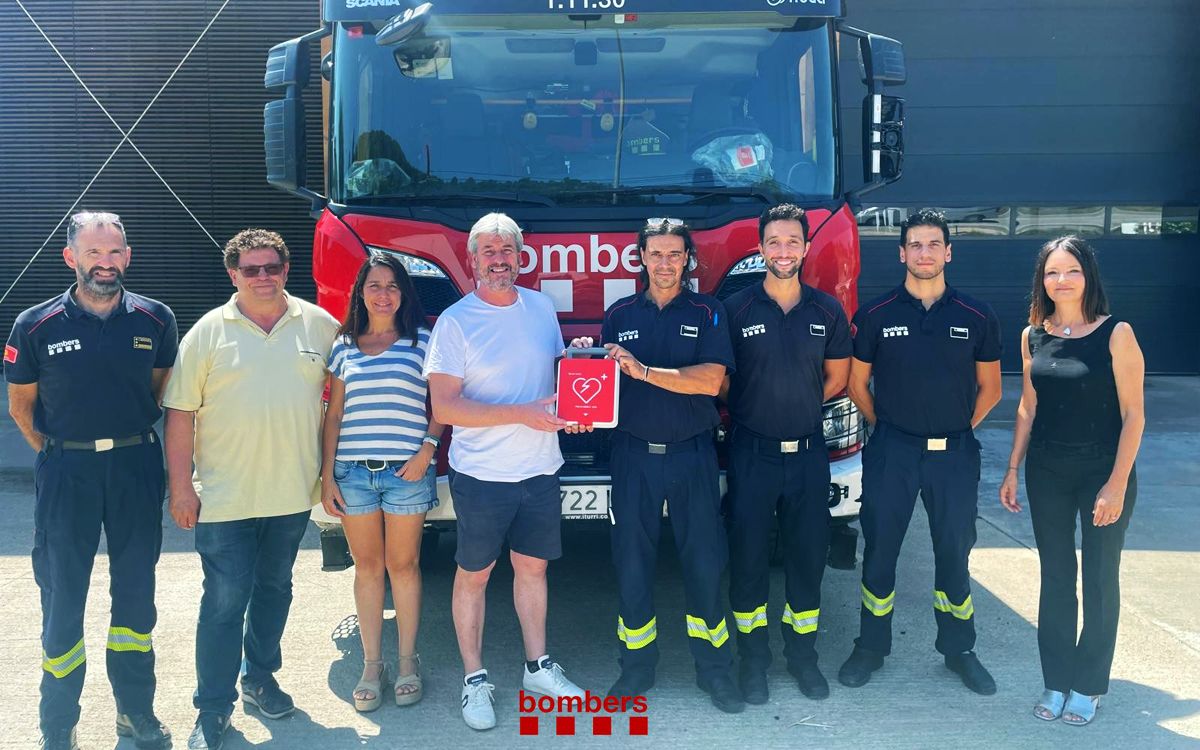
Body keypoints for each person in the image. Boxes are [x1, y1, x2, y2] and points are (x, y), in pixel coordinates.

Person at [4, 211, 176, 750]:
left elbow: (158, 393)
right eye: (94, 253)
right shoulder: (34, 324)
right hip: (67, 474)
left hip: (133, 469)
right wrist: (60, 453)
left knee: (135, 597)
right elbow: (21, 407)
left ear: (128, 257)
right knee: (61, 597)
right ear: (71, 257)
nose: (105, 264)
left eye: (115, 253)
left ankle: (135, 714)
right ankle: (58, 725)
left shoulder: (155, 319)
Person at [162, 229, 339, 750]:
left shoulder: (319, 326)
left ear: (286, 271)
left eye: (272, 268)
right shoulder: (207, 333)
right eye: (251, 269)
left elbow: (353, 388)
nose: (263, 277)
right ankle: (213, 709)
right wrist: (180, 488)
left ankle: (259, 678)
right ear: (232, 275)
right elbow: (179, 414)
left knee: (274, 591)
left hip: (290, 496)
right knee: (223, 600)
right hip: (224, 499)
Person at [424, 212, 583, 732]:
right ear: (472, 261)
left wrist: (582, 379)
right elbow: (445, 408)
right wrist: (524, 413)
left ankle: (537, 668)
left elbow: (559, 377)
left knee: (533, 569)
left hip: (540, 467)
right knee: (475, 576)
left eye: (507, 251)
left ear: (521, 257)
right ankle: (474, 679)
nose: (499, 260)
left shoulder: (540, 308)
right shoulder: (455, 322)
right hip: (483, 475)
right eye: (489, 252)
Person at [839, 208, 1003, 695]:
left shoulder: (976, 316)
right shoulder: (874, 314)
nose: (925, 253)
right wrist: (885, 426)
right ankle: (870, 646)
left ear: (948, 252)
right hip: (893, 451)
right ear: (901, 252)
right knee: (880, 552)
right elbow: (854, 382)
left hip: (954, 456)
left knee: (953, 553)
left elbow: (990, 390)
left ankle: (959, 649)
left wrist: (955, 429)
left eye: (934, 244)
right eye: (915, 245)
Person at [585, 217, 743, 714]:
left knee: (703, 564)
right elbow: (603, 387)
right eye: (656, 254)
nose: (666, 263)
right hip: (632, 457)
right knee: (631, 566)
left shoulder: (708, 311)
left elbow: (711, 381)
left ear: (688, 260)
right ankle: (635, 668)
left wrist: (644, 370)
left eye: (676, 254)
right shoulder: (619, 314)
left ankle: (715, 671)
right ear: (641, 258)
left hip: (691, 454)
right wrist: (581, 387)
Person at [999, 236, 1144, 726]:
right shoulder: (1032, 335)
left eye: (1072, 271)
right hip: (1047, 471)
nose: (1062, 280)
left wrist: (1118, 483)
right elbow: (1028, 405)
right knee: (1056, 579)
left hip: (1103, 470)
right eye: (1052, 272)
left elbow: (1134, 415)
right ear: (1042, 280)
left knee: (1100, 579)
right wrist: (1014, 467)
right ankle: (1057, 679)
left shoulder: (1116, 333)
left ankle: (1089, 685)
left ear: (1088, 277)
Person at [721, 204, 851, 703]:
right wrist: (761, 406)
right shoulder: (735, 311)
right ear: (760, 248)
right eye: (774, 242)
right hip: (752, 453)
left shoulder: (826, 311)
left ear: (806, 247)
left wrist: (797, 403)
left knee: (805, 559)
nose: (783, 251)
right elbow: (724, 384)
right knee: (749, 560)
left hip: (809, 456)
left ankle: (803, 659)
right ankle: (753, 663)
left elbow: (837, 377)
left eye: (792, 242)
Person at [320, 253, 445, 712]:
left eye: (393, 285)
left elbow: (442, 405)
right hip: (352, 475)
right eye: (374, 285)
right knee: (368, 569)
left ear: (404, 293)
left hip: (406, 473)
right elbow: (333, 414)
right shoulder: (344, 345)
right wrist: (326, 474)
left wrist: (426, 451)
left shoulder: (423, 341)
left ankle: (408, 662)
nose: (384, 293)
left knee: (405, 567)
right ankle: (373, 665)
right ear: (361, 292)